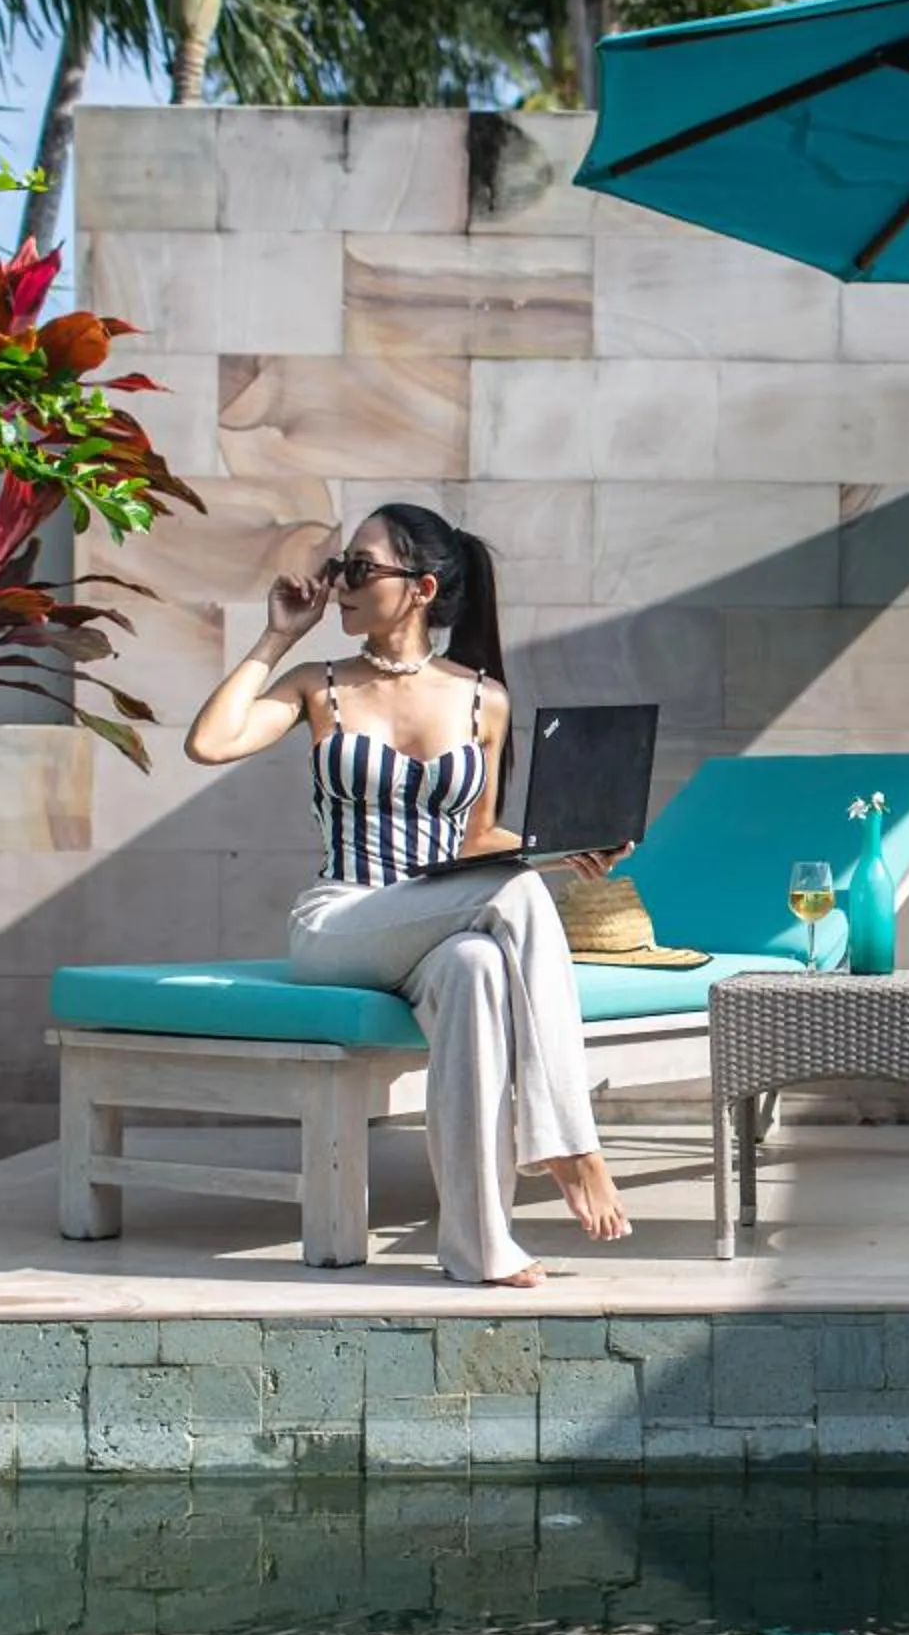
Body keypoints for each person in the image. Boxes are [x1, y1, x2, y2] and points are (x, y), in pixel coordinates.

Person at [182, 501, 631, 1286]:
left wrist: (563, 852)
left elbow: (477, 841)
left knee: (478, 969)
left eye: (358, 568)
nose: (338, 583)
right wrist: (279, 632)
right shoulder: (317, 686)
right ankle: (570, 1144)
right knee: (516, 895)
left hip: (436, 925)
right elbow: (209, 742)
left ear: (420, 588)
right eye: (340, 568)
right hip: (341, 923)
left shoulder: (481, 699)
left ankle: (481, 1248)